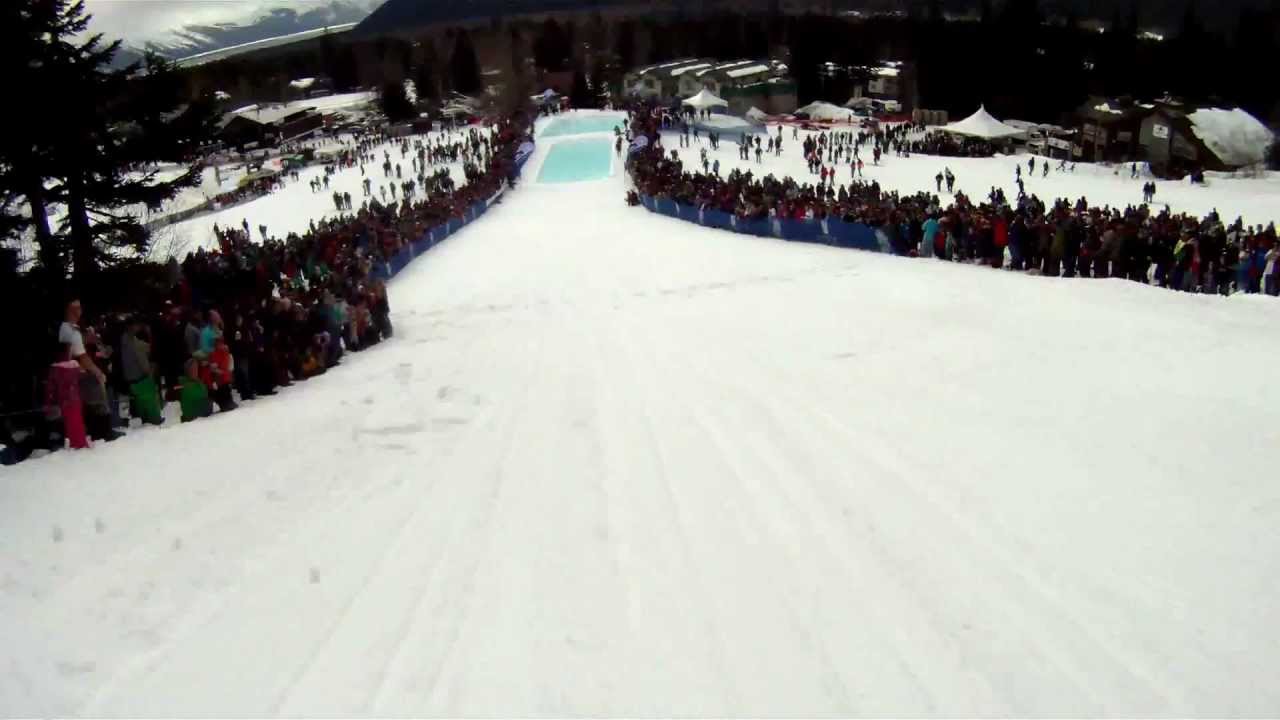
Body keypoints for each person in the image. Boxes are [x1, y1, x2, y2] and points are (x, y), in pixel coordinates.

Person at [120, 316, 164, 426]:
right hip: (140, 378)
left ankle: (146, 418)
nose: (139, 327)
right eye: (137, 325)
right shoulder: (133, 343)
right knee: (149, 401)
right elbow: (143, 362)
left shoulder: (124, 339)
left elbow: (146, 347)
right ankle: (154, 419)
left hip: (130, 378)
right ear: (131, 327)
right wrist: (150, 371)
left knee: (141, 402)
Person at [45, 343, 90, 449]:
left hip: (65, 401)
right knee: (78, 423)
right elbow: (83, 375)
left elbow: (50, 388)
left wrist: (49, 403)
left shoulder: (55, 369)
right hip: (76, 399)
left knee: (71, 424)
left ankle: (77, 444)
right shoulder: (74, 366)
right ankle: (81, 444)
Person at [179, 358, 212, 423]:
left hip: (202, 417)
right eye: (193, 369)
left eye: (196, 368)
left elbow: (205, 395)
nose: (195, 371)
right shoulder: (184, 384)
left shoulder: (199, 382)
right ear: (187, 370)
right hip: (192, 419)